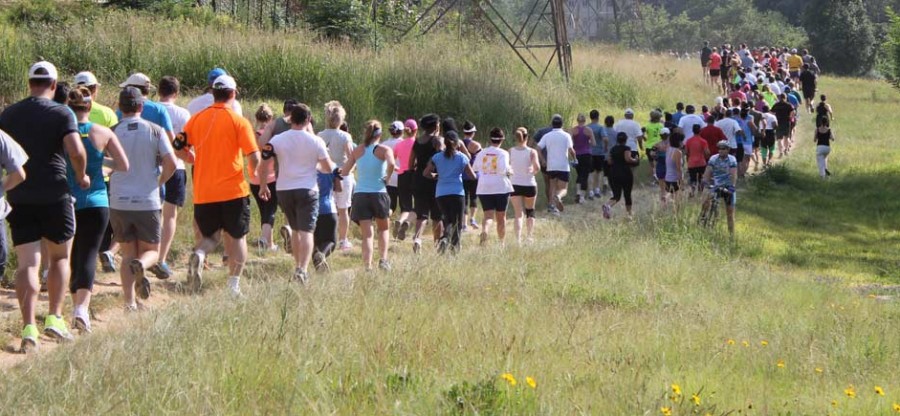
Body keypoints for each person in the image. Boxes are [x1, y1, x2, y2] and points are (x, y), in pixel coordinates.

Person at [0, 61, 89, 350]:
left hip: (20, 194)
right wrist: (81, 175)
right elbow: (75, 150)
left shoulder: (9, 114)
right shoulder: (62, 112)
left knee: (28, 263)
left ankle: (28, 328)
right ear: (53, 85)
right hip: (55, 193)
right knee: (60, 257)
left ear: (29, 84)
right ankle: (54, 318)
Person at [177, 75, 260, 296]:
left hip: (204, 191)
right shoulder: (238, 121)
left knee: (210, 237)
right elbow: (254, 155)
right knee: (237, 237)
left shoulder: (196, 119)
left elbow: (177, 145)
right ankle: (234, 285)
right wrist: (253, 175)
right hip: (233, 190)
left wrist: (189, 158)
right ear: (233, 94)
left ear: (213, 93)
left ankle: (201, 254)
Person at [66, 87, 129, 333]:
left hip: (68, 201)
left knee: (71, 256)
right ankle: (82, 309)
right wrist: (102, 166)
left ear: (69, 108)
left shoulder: (63, 136)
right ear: (90, 108)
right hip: (97, 201)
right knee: (90, 253)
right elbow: (123, 164)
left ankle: (76, 308)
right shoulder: (101, 132)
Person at [110, 87, 176, 308]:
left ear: (120, 108)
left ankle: (130, 303)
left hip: (119, 200)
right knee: (151, 252)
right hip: (147, 199)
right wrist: (159, 182)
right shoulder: (155, 130)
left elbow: (103, 161)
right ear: (141, 106)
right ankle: (142, 265)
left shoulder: (113, 130)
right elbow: (172, 163)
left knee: (127, 253)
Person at [258, 103, 333, 282]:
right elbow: (328, 167)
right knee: (306, 231)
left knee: (296, 230)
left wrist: (262, 185)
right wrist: (314, 165)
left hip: (284, 189)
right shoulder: (316, 141)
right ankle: (302, 270)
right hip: (307, 189)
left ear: (290, 118)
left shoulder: (277, 140)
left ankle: (298, 266)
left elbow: (264, 164)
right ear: (308, 120)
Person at [149, 76, 192, 280]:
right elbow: (187, 142)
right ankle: (161, 258)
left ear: (158, 91)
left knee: (152, 213)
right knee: (170, 215)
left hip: (152, 164)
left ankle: (148, 253)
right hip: (177, 165)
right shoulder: (183, 113)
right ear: (177, 93)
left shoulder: (150, 109)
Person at [341, 120, 396, 271]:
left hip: (360, 194)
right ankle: (383, 260)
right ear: (380, 134)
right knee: (383, 229)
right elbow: (391, 164)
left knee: (367, 234)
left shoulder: (357, 150)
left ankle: (367, 266)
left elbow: (344, 171)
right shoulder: (384, 150)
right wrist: (388, 176)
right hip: (379, 193)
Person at [423, 131, 476, 254]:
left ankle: (444, 238)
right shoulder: (462, 157)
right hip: (457, 192)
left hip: (441, 193)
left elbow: (425, 173)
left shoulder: (436, 157)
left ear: (445, 143)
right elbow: (472, 176)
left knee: (447, 220)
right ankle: (454, 249)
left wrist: (436, 176)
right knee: (457, 223)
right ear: (457, 143)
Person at [256, 99, 298, 251]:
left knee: (287, 205)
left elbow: (261, 143)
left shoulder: (276, 124)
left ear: (284, 110)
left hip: (281, 171)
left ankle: (289, 229)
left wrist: (273, 148)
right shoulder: (303, 123)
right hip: (301, 173)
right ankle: (290, 230)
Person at [319, 101, 355, 253]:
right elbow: (351, 157)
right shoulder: (345, 136)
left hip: (325, 174)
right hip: (342, 174)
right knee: (343, 209)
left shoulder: (320, 135)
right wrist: (348, 172)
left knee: (327, 208)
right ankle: (343, 240)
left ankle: (327, 237)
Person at [247, 104, 281, 254]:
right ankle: (264, 240)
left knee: (263, 211)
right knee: (271, 210)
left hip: (254, 178)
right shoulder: (272, 137)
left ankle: (269, 243)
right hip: (271, 178)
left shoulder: (251, 135)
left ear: (256, 118)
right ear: (271, 118)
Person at [409, 114, 444, 253]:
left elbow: (410, 164)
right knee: (437, 216)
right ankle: (438, 245)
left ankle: (417, 238)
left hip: (418, 180)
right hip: (434, 180)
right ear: (436, 126)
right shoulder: (438, 140)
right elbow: (442, 157)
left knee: (421, 215)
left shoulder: (417, 141)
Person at [473, 128, 513, 245]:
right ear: (502, 140)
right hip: (500, 187)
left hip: (484, 187)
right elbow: (503, 169)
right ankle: (501, 242)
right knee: (501, 217)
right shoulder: (503, 153)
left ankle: (485, 230)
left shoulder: (481, 153)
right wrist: (510, 171)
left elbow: (475, 168)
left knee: (488, 215)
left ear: (490, 139)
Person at [537, 114, 575, 213]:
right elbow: (571, 150)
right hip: (563, 165)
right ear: (562, 124)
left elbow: (538, 148)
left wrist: (542, 160)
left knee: (552, 186)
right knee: (563, 189)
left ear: (552, 124)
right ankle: (558, 197)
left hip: (551, 166)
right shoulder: (566, 135)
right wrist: (574, 159)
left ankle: (551, 205)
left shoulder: (547, 136)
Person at [508, 127, 539, 244]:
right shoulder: (532, 152)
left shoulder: (510, 151)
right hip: (529, 184)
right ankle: (530, 237)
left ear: (516, 138)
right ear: (527, 137)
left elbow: (507, 167)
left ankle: (518, 240)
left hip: (514, 184)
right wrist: (533, 171)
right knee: (530, 211)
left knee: (518, 214)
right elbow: (537, 167)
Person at [702, 141, 738, 236]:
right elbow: (708, 170)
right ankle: (704, 224)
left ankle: (731, 235)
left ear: (728, 150)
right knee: (707, 204)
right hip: (716, 186)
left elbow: (733, 174)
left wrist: (732, 186)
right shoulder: (713, 158)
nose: (721, 150)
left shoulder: (732, 159)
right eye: (719, 148)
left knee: (730, 212)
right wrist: (705, 180)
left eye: (723, 148)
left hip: (728, 187)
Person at [602, 132, 638, 220]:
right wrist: (635, 160)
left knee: (616, 195)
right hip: (625, 173)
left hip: (613, 173)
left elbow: (609, 161)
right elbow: (628, 159)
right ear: (625, 140)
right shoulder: (626, 148)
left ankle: (608, 205)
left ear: (617, 140)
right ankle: (629, 215)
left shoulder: (613, 149)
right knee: (627, 194)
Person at [460, 121, 482, 231]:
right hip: (474, 175)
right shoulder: (476, 145)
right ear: (473, 132)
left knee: (464, 199)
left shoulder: (458, 144)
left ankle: (464, 224)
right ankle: (472, 219)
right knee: (474, 198)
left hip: (462, 175)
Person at [569, 114, 595, 203]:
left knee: (579, 174)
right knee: (585, 175)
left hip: (577, 154)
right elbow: (593, 143)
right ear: (584, 121)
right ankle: (582, 196)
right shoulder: (588, 130)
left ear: (577, 120)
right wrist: (587, 143)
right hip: (587, 154)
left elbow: (570, 143)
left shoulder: (573, 130)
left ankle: (578, 192)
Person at [382, 121, 404, 219]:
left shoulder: (384, 144)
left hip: (389, 178)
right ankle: (401, 222)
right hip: (403, 177)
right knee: (405, 206)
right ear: (401, 131)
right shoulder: (404, 143)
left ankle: (386, 218)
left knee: (391, 205)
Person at [587, 110, 608, 199]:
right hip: (599, 152)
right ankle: (597, 190)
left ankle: (590, 191)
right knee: (599, 172)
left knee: (590, 173)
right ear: (598, 117)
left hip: (589, 152)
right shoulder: (600, 128)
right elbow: (605, 139)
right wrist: (606, 147)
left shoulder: (587, 127)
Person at [683, 124, 709, 196]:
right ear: (700, 131)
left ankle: (692, 192)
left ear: (692, 130)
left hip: (692, 162)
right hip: (701, 162)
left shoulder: (688, 141)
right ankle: (700, 193)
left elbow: (686, 152)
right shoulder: (703, 141)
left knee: (693, 179)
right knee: (701, 178)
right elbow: (707, 152)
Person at [664, 130, 684, 208]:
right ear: (678, 141)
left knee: (669, 195)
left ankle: (664, 205)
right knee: (677, 200)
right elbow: (679, 168)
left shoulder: (669, 149)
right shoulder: (678, 152)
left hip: (667, 177)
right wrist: (681, 182)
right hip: (675, 179)